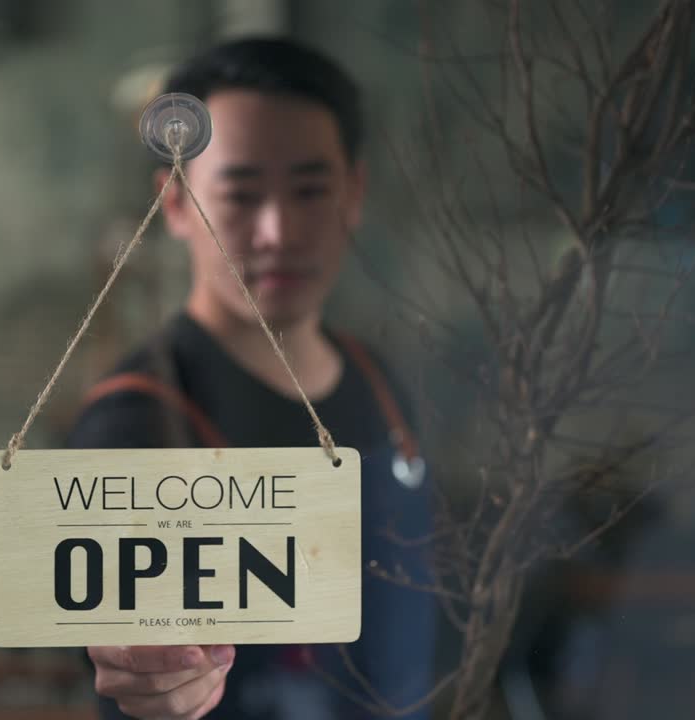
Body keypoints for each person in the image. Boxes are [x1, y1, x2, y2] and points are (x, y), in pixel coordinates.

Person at [64, 35, 439, 720]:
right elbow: (113, 661)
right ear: (175, 204)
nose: (277, 229)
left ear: (354, 192)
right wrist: (149, 677)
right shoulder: (135, 422)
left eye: (310, 189)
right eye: (239, 196)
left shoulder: (377, 381)